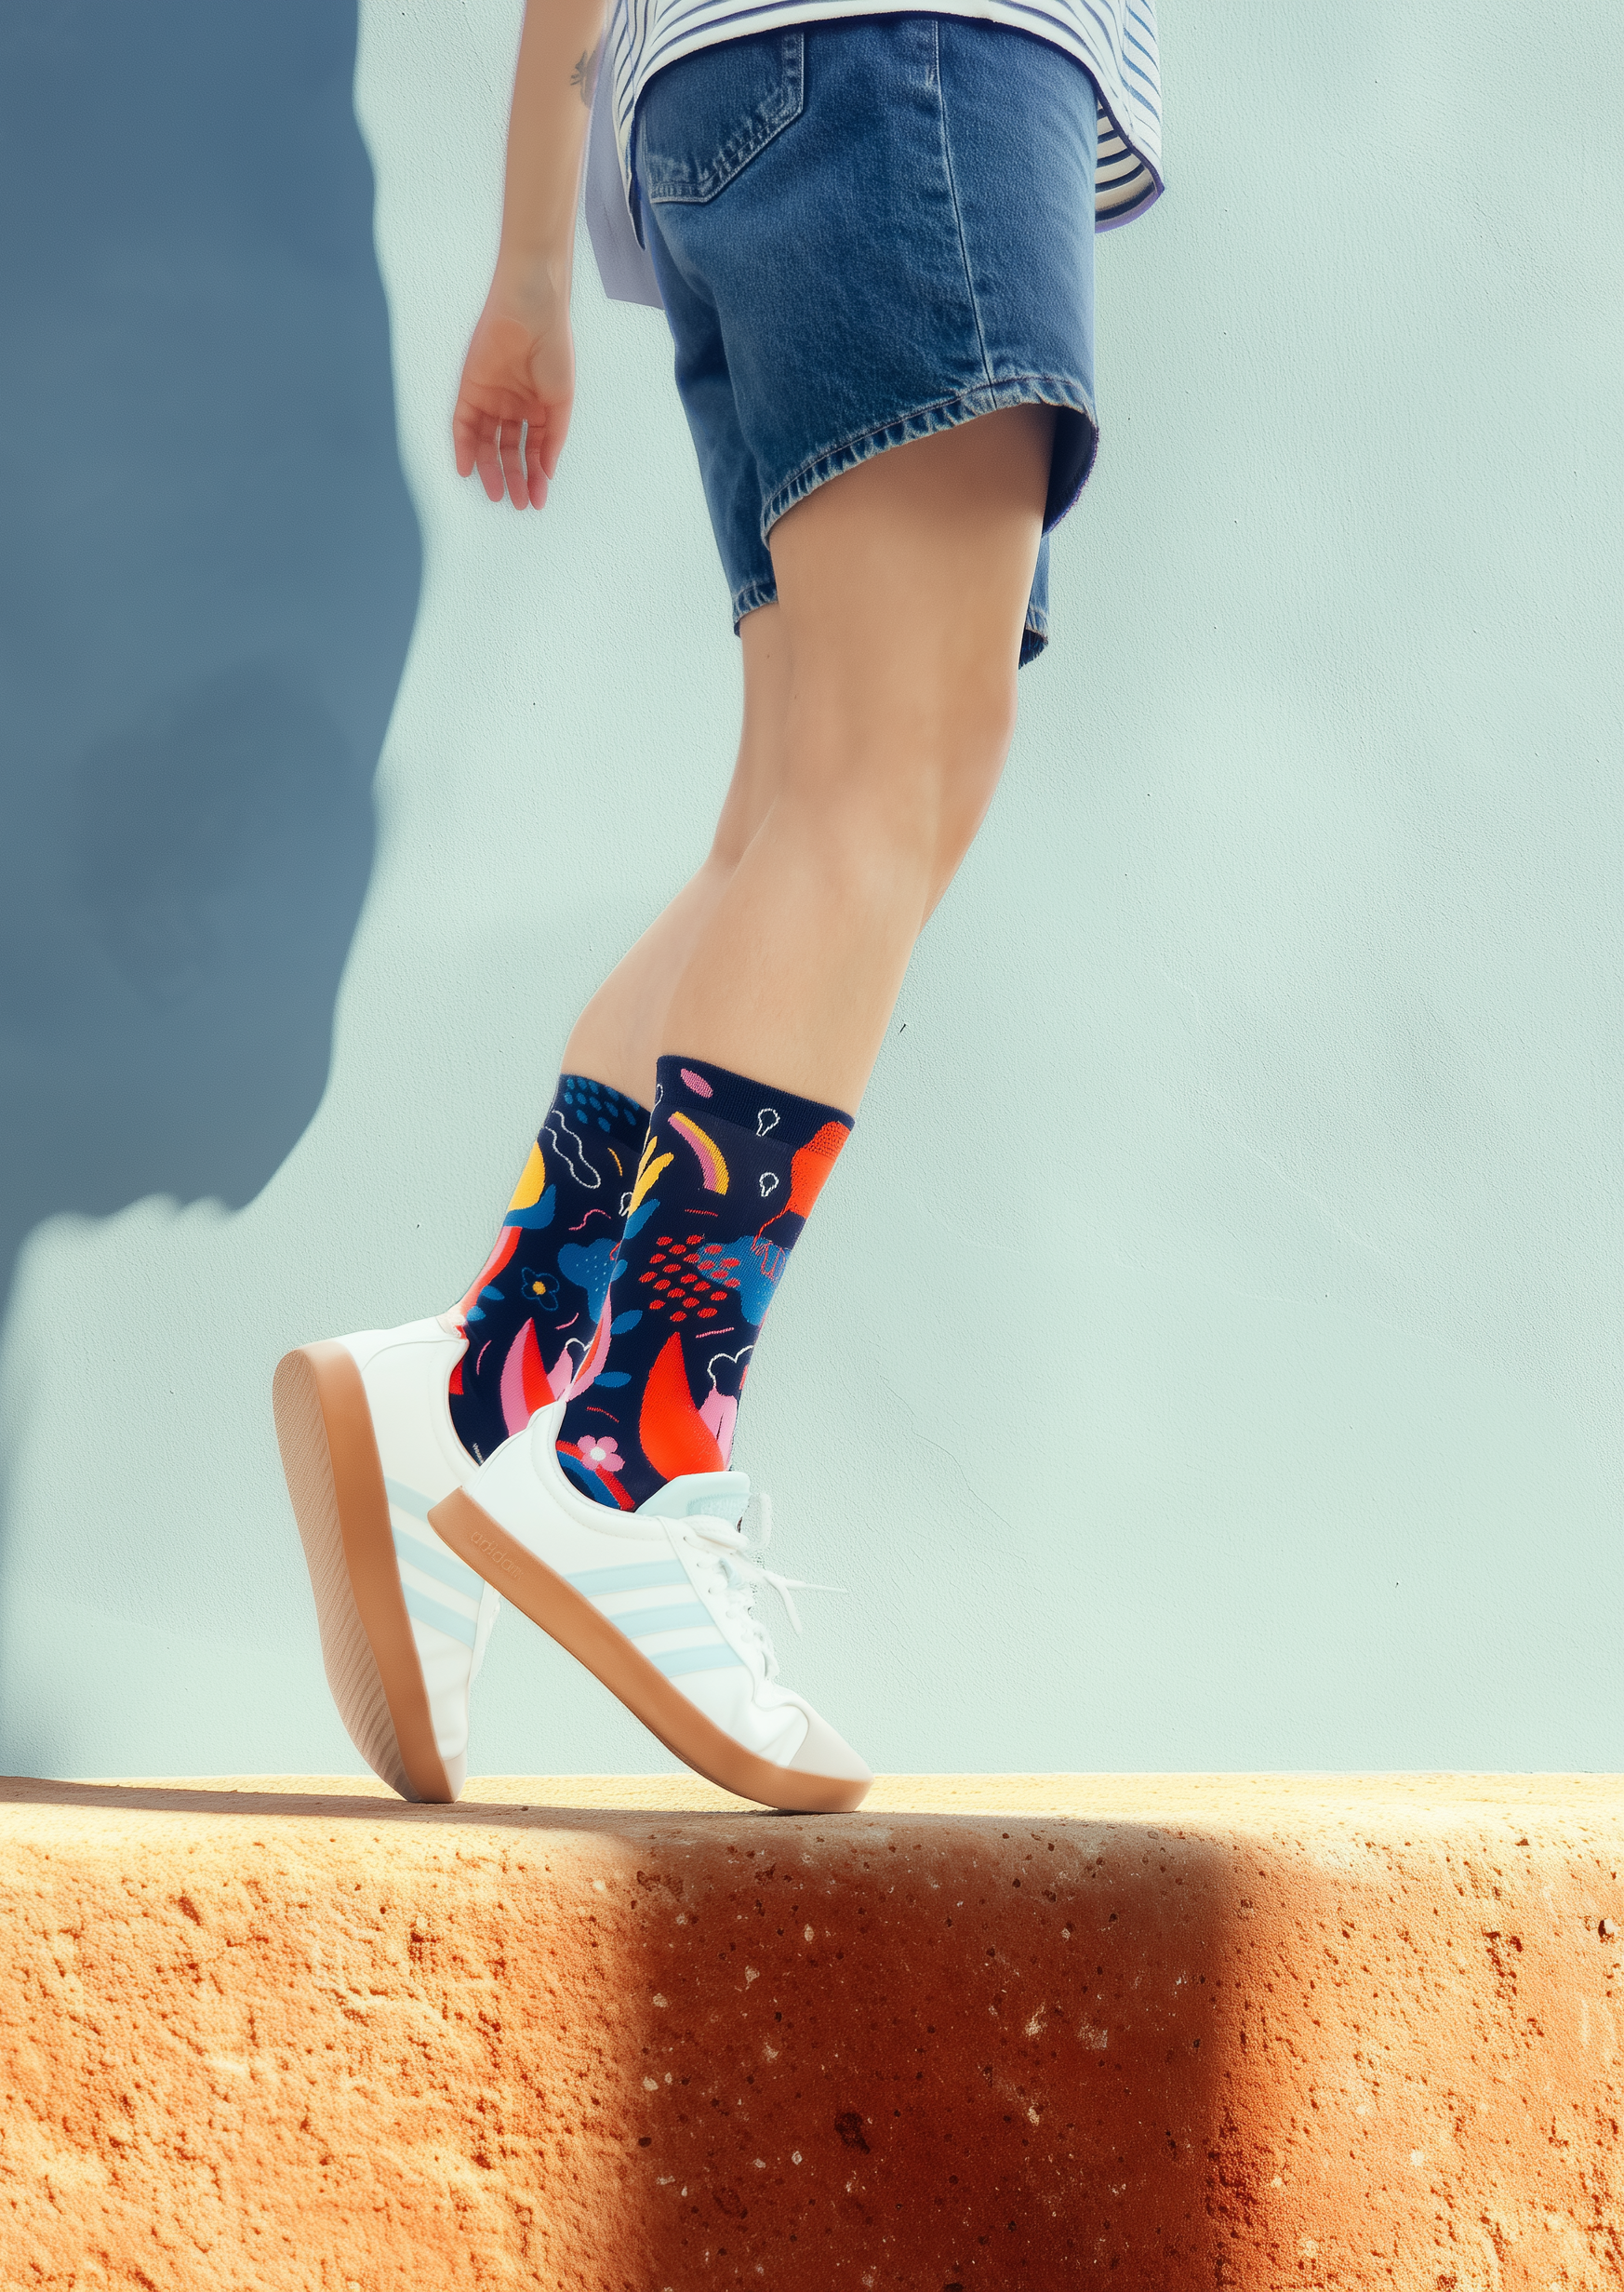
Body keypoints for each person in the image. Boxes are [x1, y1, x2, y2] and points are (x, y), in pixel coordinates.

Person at [273, 0, 1163, 1809]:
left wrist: (531, 252)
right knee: (885, 776)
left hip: (722, 96)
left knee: (800, 796)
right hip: (915, 59)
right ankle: (631, 1452)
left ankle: (483, 1387)